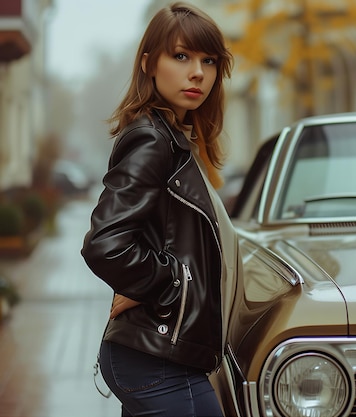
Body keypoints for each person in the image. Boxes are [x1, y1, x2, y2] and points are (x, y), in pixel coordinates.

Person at [81, 3, 240, 416]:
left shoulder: (176, 139)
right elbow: (105, 244)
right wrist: (170, 283)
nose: (198, 73)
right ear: (150, 63)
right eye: (182, 56)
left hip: (155, 352)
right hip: (157, 356)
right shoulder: (153, 139)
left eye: (209, 61)